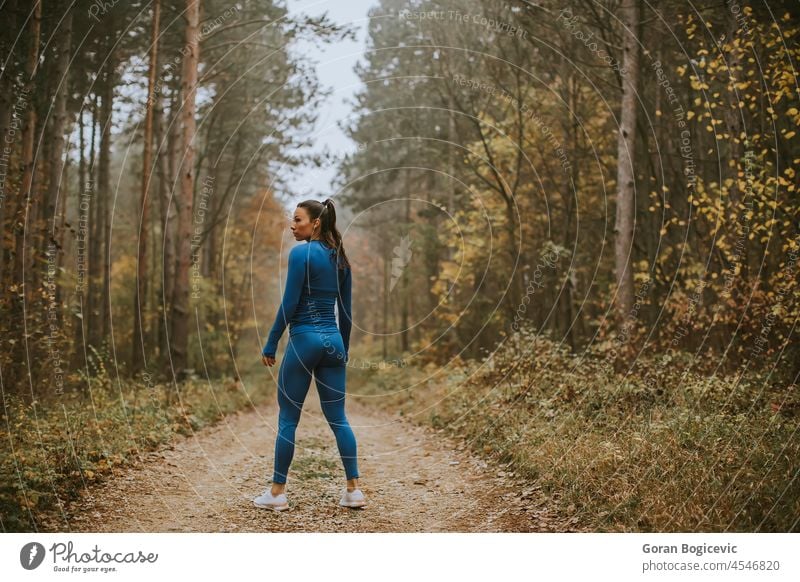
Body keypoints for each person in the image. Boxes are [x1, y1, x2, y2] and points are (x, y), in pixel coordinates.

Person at [253, 198, 366, 512]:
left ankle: (277, 494)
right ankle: (354, 490)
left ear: (316, 223)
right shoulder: (340, 259)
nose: (293, 225)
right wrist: (342, 349)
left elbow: (289, 305)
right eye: (292, 219)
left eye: (299, 220)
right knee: (339, 419)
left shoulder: (300, 254)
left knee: (288, 419)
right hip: (332, 343)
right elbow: (346, 311)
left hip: (303, 341)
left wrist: (271, 343)